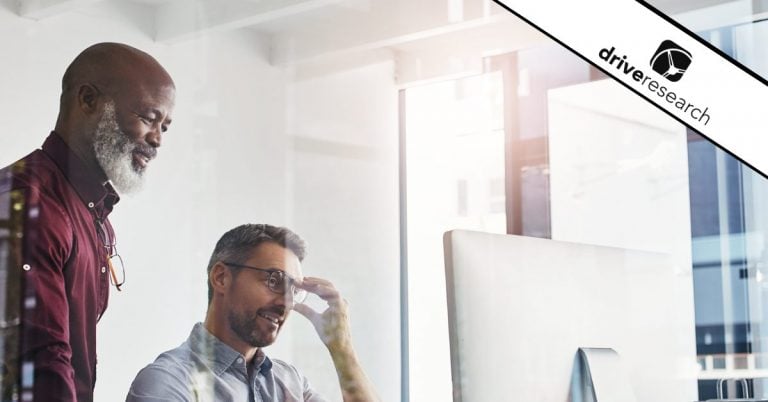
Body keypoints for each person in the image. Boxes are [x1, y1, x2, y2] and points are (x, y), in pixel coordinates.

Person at [0, 42, 175, 402]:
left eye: (165, 126)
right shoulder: (28, 201)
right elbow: (36, 362)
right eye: (147, 117)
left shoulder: (93, 211)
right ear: (88, 100)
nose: (157, 139)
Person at [126, 224, 380, 402]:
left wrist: (341, 348)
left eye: (294, 290)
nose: (286, 303)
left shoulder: (290, 383)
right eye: (274, 280)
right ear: (222, 277)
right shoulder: (167, 383)